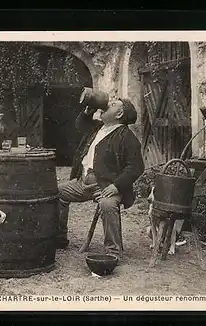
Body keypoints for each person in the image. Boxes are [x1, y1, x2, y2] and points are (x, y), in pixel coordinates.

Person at [56, 97, 145, 261]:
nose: (105, 106)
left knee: (107, 204)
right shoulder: (98, 128)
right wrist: (87, 112)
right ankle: (59, 238)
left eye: (111, 105)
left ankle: (113, 251)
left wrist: (117, 186)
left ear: (119, 113)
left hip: (107, 186)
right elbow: (80, 125)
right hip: (83, 183)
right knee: (58, 193)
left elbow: (136, 167)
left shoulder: (126, 137)